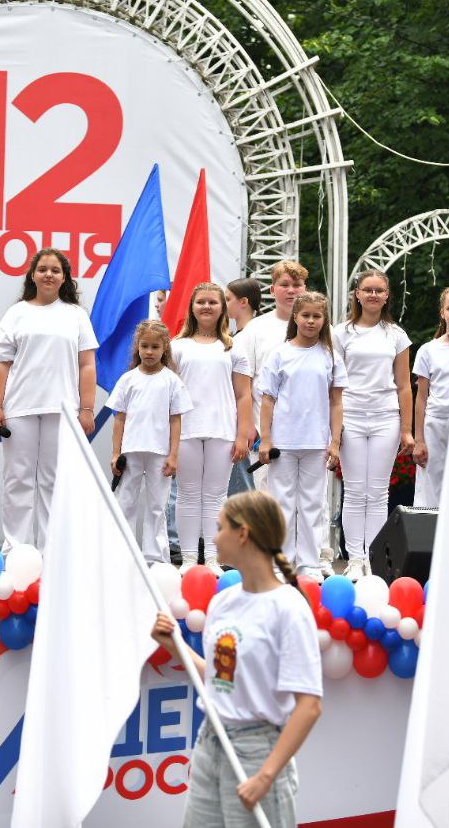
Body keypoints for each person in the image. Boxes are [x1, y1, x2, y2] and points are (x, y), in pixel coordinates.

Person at [150, 490, 322, 828]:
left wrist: (266, 776)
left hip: (258, 751)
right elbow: (219, 679)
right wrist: (174, 645)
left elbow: (309, 706)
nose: (213, 538)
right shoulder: (222, 602)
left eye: (220, 528)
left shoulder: (289, 607)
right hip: (210, 742)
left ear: (242, 533)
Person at [0, 249, 97, 552]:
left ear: (64, 278)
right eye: (43, 269)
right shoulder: (16, 313)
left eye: (55, 270)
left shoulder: (76, 315)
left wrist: (87, 408)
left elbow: (87, 365)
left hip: (63, 410)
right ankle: (16, 549)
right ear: (32, 275)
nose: (49, 274)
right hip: (20, 408)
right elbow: (1, 363)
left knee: (54, 482)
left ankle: (51, 552)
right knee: (17, 480)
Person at [258, 292, 346, 578]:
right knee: (281, 503)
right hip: (283, 442)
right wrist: (266, 439)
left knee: (312, 504)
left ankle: (309, 563)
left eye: (316, 316)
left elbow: (336, 402)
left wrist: (335, 442)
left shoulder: (330, 357)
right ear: (295, 317)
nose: (310, 321)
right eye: (305, 315)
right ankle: (281, 563)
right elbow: (267, 400)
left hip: (316, 442)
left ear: (324, 320)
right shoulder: (279, 354)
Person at [332, 270, 413, 579]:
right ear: (358, 294)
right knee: (354, 491)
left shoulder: (396, 335)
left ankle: (373, 558)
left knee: (378, 492)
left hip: (386, 417)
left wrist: (406, 429)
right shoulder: (341, 333)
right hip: (351, 415)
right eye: (368, 289)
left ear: (387, 295)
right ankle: (354, 558)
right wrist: (333, 430)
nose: (373, 295)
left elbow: (404, 386)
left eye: (379, 290)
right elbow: (334, 385)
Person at [172, 284, 253, 570]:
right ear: (192, 308)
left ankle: (213, 558)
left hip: (222, 430)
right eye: (201, 302)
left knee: (216, 496)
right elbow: (168, 393)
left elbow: (244, 395)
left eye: (213, 302)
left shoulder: (234, 347)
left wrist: (242, 434)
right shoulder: (177, 347)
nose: (206, 307)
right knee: (187, 494)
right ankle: (188, 558)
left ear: (222, 308)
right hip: (186, 430)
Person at [108, 320, 193, 564]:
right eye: (144, 346)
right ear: (137, 347)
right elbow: (119, 419)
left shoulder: (172, 381)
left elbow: (175, 421)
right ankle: (122, 554)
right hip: (131, 451)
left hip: (159, 452)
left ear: (165, 348)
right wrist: (116, 453)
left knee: (157, 506)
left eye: (155, 347)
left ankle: (155, 557)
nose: (149, 352)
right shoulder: (128, 379)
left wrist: (173, 455)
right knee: (125, 502)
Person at [236, 262, 308, 487]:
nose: (291, 290)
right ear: (272, 289)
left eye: (297, 285)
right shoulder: (256, 329)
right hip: (266, 431)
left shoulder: (320, 328)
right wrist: (248, 425)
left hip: (307, 430)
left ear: (305, 288)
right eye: (284, 285)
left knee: (309, 499)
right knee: (267, 498)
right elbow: (244, 381)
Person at [412, 286, 449, 508]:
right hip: (435, 425)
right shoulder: (428, 350)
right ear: (442, 313)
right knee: (430, 486)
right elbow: (421, 398)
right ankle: (427, 529)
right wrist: (419, 440)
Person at [225, 278, 262, 498]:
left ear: (244, 302)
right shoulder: (235, 337)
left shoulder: (250, 336)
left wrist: (247, 425)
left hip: (249, 424)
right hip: (239, 420)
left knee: (244, 489)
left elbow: (245, 387)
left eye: (228, 299)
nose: (224, 304)